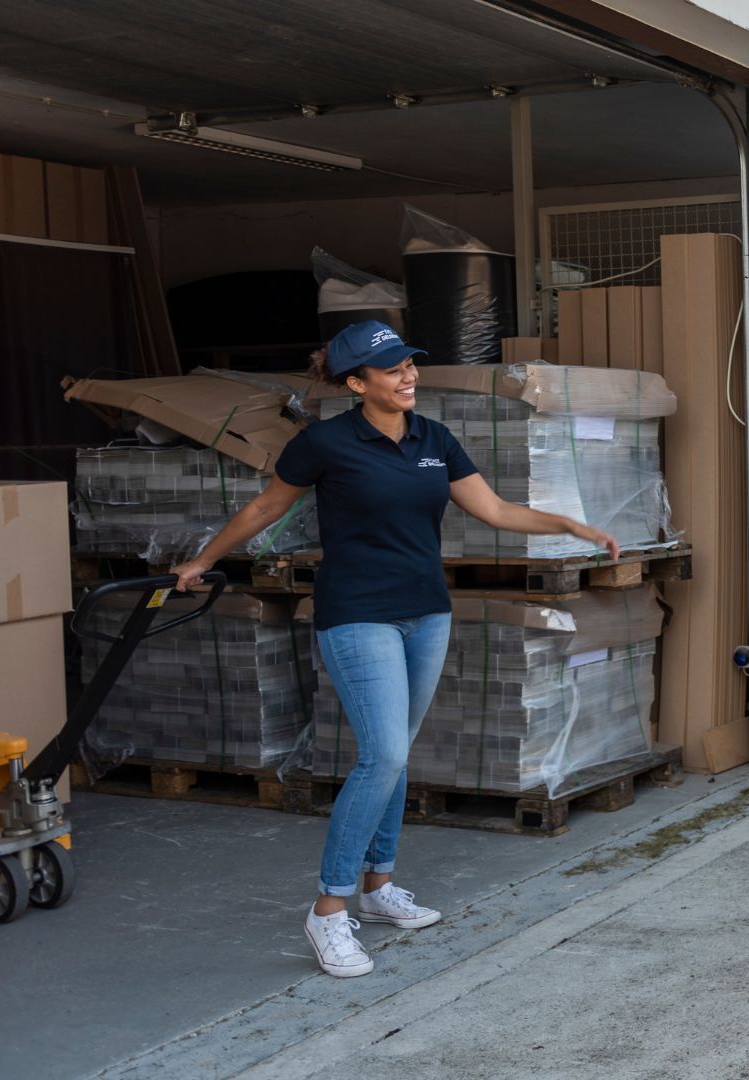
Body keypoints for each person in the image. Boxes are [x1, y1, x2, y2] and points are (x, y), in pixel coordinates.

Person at [170, 321, 619, 979]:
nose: (409, 375)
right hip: (356, 615)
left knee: (397, 753)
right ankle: (329, 909)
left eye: (410, 364)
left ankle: (379, 888)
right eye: (392, 369)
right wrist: (202, 559)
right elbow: (266, 509)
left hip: (426, 613)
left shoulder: (433, 439)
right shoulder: (323, 442)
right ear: (356, 384)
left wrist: (570, 524)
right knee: (381, 753)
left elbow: (493, 510)